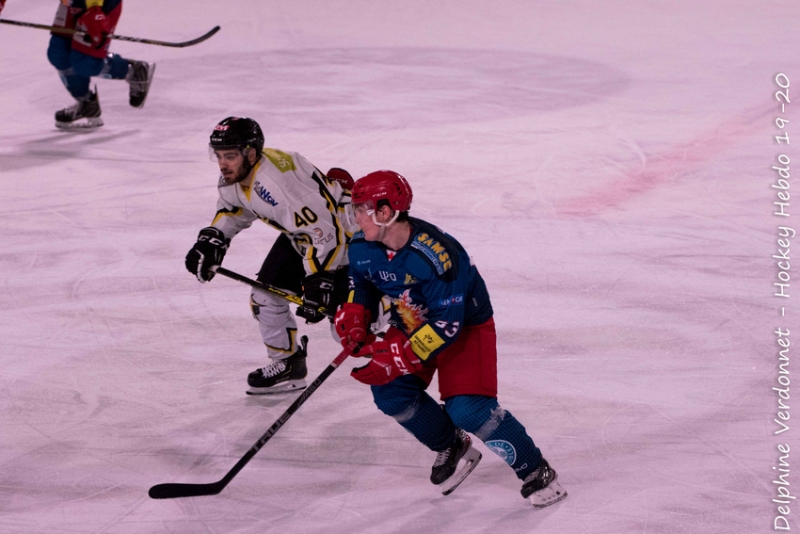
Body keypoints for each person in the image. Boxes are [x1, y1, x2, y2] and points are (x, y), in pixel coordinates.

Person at [334, 170, 567, 507]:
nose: (355, 217)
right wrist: (356, 314)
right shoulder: (361, 246)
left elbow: (447, 325)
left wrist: (397, 355)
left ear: (385, 212)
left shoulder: (437, 255)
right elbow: (362, 284)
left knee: (469, 410)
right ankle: (451, 444)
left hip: (466, 326)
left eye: (361, 209)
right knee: (390, 393)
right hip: (412, 318)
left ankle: (535, 470)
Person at [185, 116, 359, 395]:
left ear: (251, 154)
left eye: (230, 156)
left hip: (348, 242)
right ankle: (288, 364)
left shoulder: (277, 185)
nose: (222, 164)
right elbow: (234, 209)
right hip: (305, 236)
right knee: (265, 296)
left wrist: (320, 280)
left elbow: (328, 230)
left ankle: (402, 342)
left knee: (348, 329)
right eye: (219, 155)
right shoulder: (238, 175)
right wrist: (213, 240)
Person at [46, 0, 155, 130]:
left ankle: (132, 71)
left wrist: (94, 8)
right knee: (59, 54)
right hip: (73, 2)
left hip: (100, 6)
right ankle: (86, 102)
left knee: (85, 63)